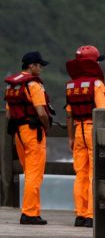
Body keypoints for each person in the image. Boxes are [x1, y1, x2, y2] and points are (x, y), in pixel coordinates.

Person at [4, 51, 53, 225]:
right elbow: (41, 112)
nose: (41, 68)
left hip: (18, 132)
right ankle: (29, 213)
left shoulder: (12, 85)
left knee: (29, 172)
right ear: (31, 65)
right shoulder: (33, 85)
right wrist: (46, 125)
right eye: (39, 65)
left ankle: (33, 211)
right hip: (33, 132)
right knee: (34, 174)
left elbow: (8, 114)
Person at [65, 45, 105, 228]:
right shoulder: (97, 85)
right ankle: (91, 215)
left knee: (80, 174)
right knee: (94, 173)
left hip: (78, 131)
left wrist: (70, 138)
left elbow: (69, 115)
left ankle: (80, 214)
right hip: (93, 131)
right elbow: (103, 113)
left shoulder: (71, 86)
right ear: (94, 63)